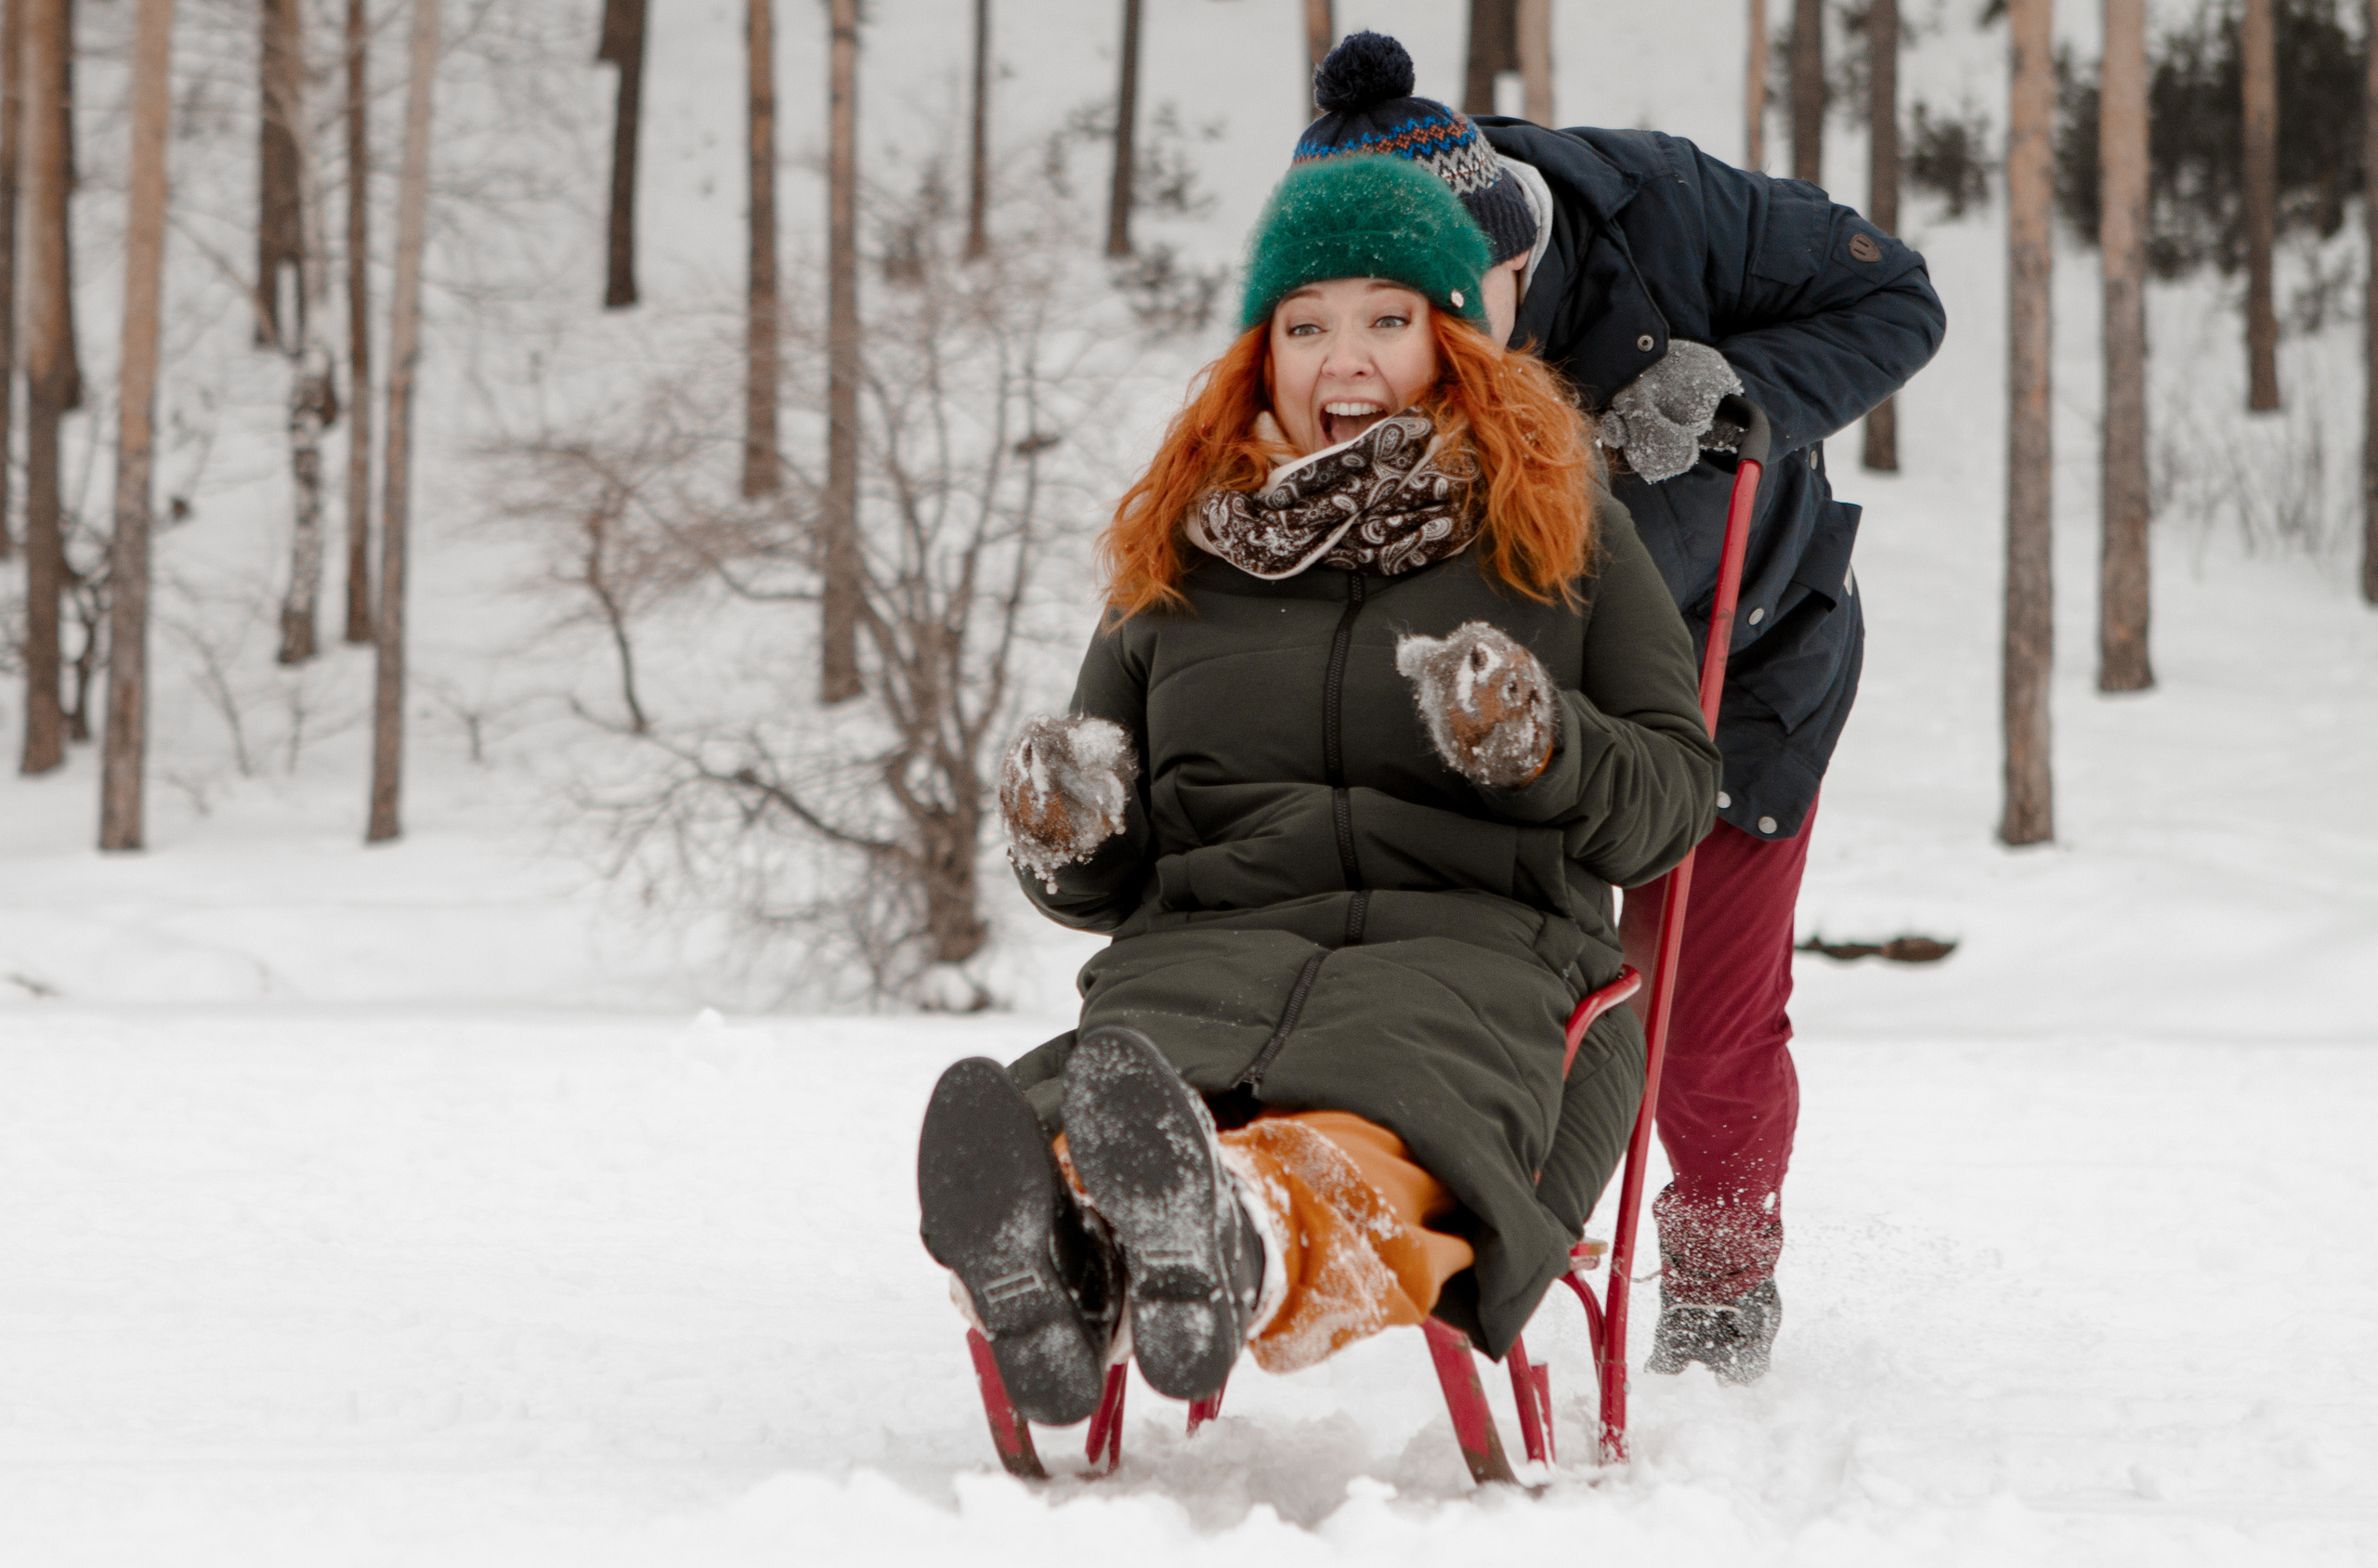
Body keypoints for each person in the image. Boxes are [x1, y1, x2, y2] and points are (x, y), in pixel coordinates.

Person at [916, 152, 1721, 1424]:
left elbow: (1675, 801)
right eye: (1307, 327)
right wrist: (1068, 830)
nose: (1344, 362)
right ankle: (1066, 1247)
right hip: (1206, 959)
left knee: (1384, 1124)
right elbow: (1103, 886)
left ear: (1456, 343)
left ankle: (1235, 1240)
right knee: (1113, 1097)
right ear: (1261, 354)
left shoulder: (1563, 528)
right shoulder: (1174, 552)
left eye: (1387, 321)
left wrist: (1540, 742)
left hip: (1488, 971)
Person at [1284, 33, 1949, 1382]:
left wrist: (1742, 395)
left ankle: (1717, 1291)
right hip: (1520, 699)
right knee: (1515, 1002)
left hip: (1737, 672)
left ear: (1512, 242)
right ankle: (1456, 1247)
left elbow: (1899, 303)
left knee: (1700, 1027)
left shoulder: (1663, 212)